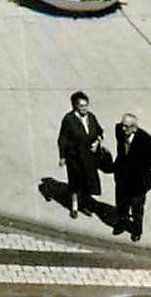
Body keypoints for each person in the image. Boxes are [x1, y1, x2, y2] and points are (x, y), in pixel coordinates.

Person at [57, 90, 106, 219]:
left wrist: (97, 142)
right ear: (75, 106)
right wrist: (62, 156)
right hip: (74, 156)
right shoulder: (68, 119)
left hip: (89, 156)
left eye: (86, 105)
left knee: (87, 181)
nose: (85, 108)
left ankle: (83, 204)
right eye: (82, 106)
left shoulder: (91, 117)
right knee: (75, 182)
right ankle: (74, 207)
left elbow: (100, 132)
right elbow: (62, 139)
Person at [112, 113, 151, 241]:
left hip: (138, 183)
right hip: (122, 179)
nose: (123, 129)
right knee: (121, 205)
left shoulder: (145, 139)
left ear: (134, 128)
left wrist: (139, 169)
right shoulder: (119, 131)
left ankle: (137, 231)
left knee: (137, 208)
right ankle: (121, 224)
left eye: (126, 127)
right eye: (123, 125)